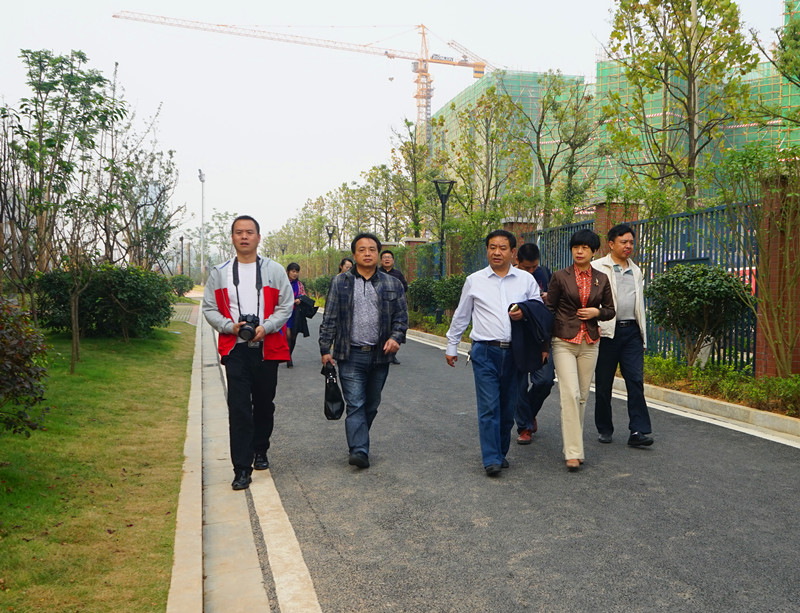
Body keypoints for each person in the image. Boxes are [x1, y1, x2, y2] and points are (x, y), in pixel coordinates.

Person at [202, 215, 294, 490]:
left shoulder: (274, 270)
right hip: (236, 349)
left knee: (265, 404)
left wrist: (266, 327)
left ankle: (260, 449)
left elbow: (286, 305)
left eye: (249, 232)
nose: (244, 236)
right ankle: (241, 468)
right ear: (232, 237)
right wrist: (229, 327)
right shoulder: (220, 272)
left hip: (267, 348)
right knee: (239, 409)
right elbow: (209, 308)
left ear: (258, 237)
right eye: (239, 232)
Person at [445, 230, 542, 477]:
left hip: (515, 352)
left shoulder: (526, 280)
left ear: (513, 252)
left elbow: (539, 312)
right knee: (489, 406)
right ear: (487, 250)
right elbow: (462, 315)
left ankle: (500, 452)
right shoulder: (474, 280)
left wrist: (524, 313)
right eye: (492, 247)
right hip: (485, 352)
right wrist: (452, 345)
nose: (496, 252)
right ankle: (491, 458)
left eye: (502, 248)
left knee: (507, 408)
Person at [319, 233, 408, 469]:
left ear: (378, 253)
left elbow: (401, 317)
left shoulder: (393, 284)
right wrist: (325, 348)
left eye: (372, 249)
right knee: (356, 403)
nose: (367, 253)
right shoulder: (340, 282)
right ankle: (359, 450)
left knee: (371, 404)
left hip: (380, 355)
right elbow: (330, 317)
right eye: (362, 249)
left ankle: (359, 439)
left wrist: (395, 337)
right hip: (350, 354)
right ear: (354, 254)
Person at [547, 229, 615, 472]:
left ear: (594, 251)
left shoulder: (601, 278)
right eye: (576, 247)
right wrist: (545, 342)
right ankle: (574, 452)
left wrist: (597, 312)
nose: (579, 251)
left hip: (590, 342)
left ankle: (572, 446)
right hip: (563, 341)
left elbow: (610, 310)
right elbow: (549, 308)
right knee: (571, 394)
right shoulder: (560, 277)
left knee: (583, 396)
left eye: (585, 248)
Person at [591, 224, 654, 447]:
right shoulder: (597, 267)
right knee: (603, 384)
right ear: (611, 244)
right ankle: (604, 428)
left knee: (635, 380)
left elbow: (639, 305)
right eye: (623, 242)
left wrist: (643, 336)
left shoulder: (636, 270)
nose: (628, 246)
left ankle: (638, 431)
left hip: (632, 333)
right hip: (606, 333)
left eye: (631, 242)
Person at [514, 243, 555, 445]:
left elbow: (548, 312)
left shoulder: (544, 274)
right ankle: (524, 427)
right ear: (517, 261)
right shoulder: (509, 277)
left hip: (539, 338)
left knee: (545, 381)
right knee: (518, 385)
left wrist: (549, 298)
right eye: (526, 268)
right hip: (515, 338)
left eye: (534, 267)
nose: (531, 272)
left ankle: (528, 414)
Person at [380, 250, 407, 364]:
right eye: (384, 257)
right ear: (381, 260)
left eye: (389, 257)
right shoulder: (377, 274)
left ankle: (392, 355)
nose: (387, 259)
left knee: (395, 329)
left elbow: (404, 287)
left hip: (394, 307)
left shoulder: (398, 274)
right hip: (381, 308)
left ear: (393, 260)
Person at [285, 262, 307, 368]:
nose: (295, 274)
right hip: (285, 313)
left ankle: (289, 355)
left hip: (296, 313)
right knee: (288, 336)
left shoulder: (299, 284)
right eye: (293, 271)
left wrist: (300, 299)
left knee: (294, 337)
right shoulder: (283, 283)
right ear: (288, 272)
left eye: (297, 272)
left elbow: (303, 295)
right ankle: (288, 358)